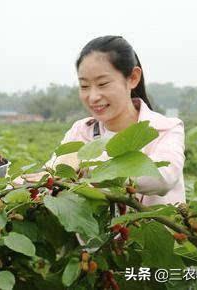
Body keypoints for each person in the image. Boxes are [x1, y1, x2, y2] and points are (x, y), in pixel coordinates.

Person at [23, 35, 186, 206]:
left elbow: (163, 177)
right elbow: (51, 178)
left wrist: (84, 166)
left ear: (133, 78)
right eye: (84, 86)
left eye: (103, 84)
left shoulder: (165, 129)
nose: (93, 97)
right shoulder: (80, 131)